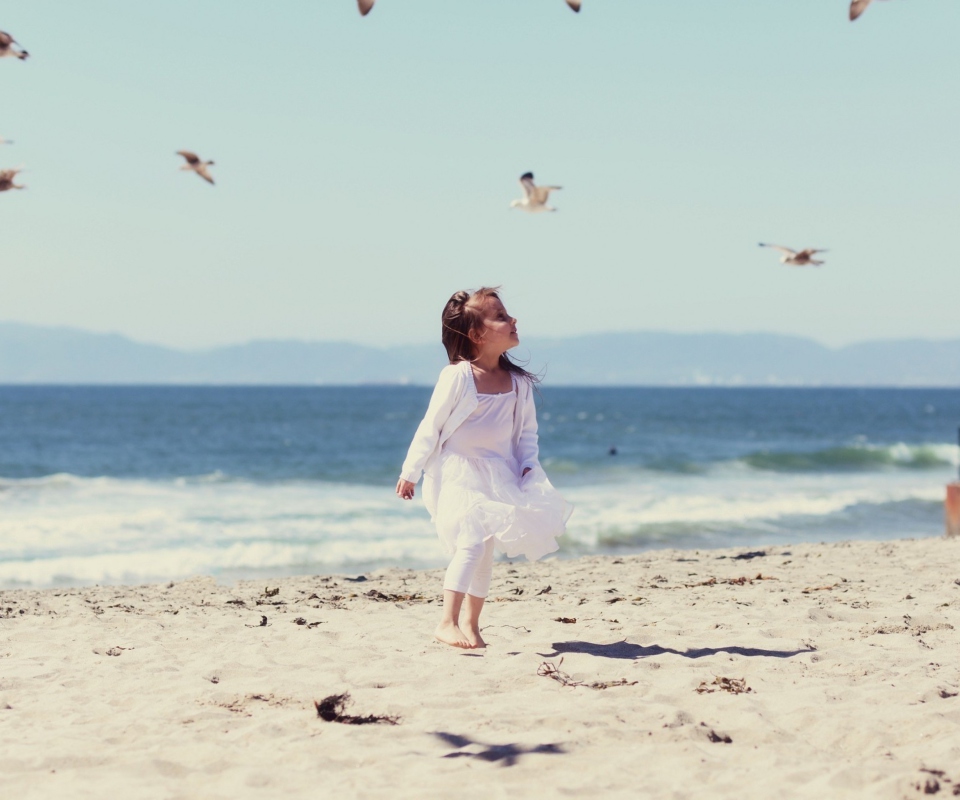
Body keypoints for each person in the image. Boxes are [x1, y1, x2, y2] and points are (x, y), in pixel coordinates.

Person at [396, 287, 572, 649]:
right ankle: (446, 621)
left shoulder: (519, 384)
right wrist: (410, 471)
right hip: (459, 473)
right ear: (477, 335)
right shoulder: (458, 377)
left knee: (486, 553)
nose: (512, 320)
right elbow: (430, 426)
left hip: (500, 474)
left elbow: (526, 434)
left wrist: (527, 468)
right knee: (471, 542)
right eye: (501, 316)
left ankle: (472, 625)